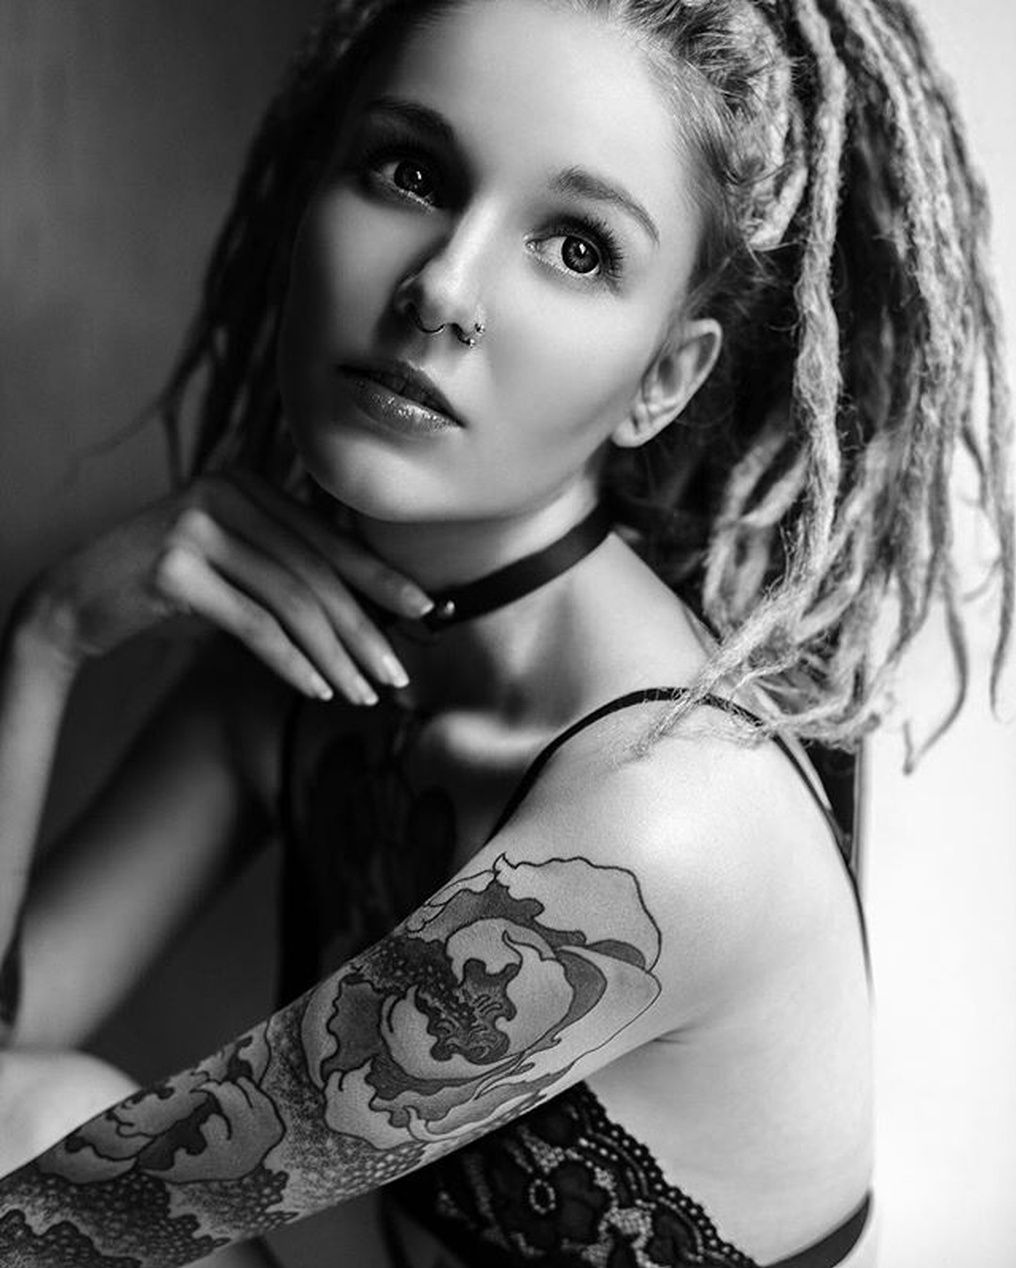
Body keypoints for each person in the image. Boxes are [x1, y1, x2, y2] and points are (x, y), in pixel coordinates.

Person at [0, 0, 1010, 1264]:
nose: (440, 288)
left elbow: (56, 1229)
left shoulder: (658, 817)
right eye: (410, 172)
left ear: (664, 379)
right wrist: (46, 638)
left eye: (575, 247)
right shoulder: (312, 650)